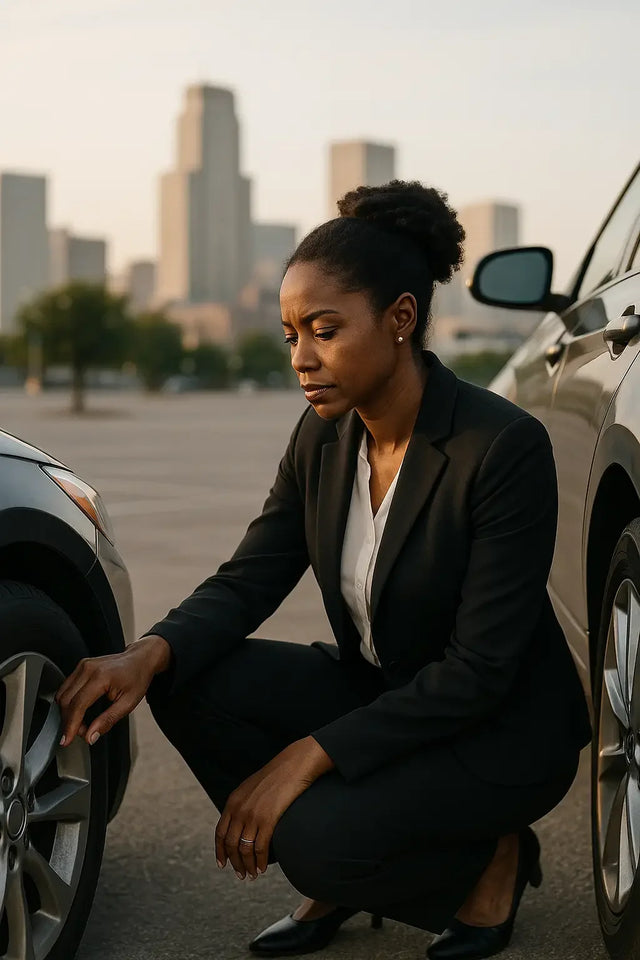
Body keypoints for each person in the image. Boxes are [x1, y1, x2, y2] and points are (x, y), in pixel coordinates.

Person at [56, 180, 592, 960]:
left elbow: (478, 672)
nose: (302, 359)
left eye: (326, 329)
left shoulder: (500, 448)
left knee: (313, 841)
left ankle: (493, 853)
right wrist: (148, 652)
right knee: (182, 672)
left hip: (498, 728)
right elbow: (249, 578)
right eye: (290, 335)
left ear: (400, 319)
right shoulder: (323, 437)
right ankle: (353, 847)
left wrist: (308, 757)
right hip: (386, 691)